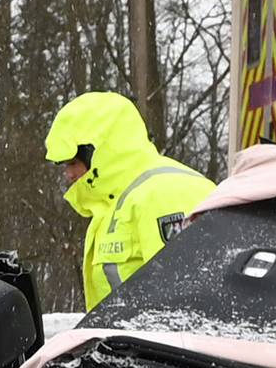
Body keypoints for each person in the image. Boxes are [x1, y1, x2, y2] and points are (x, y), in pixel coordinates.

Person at [44, 91, 216, 311]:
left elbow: (185, 303)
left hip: (158, 344)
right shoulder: (113, 205)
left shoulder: (165, 192)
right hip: (129, 344)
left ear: (97, 153)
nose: (68, 174)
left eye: (72, 163)